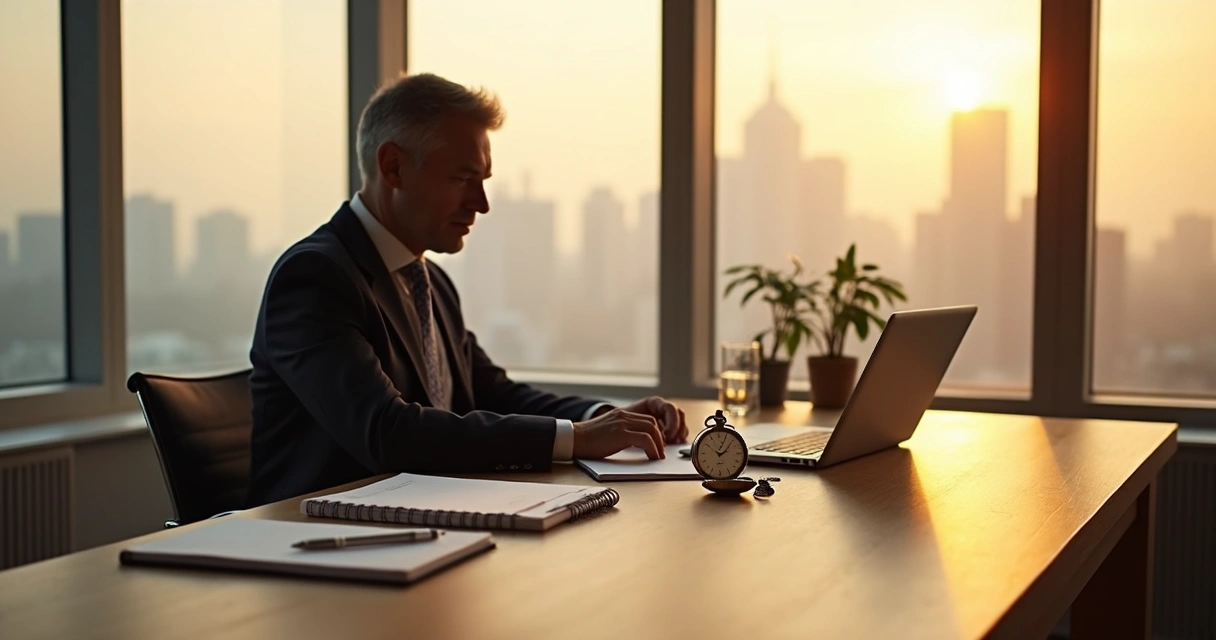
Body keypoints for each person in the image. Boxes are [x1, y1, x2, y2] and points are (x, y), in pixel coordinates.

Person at [246, 73, 688, 506]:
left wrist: (607, 417)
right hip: (320, 543)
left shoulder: (430, 281)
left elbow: (494, 393)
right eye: (462, 178)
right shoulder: (314, 276)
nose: (481, 202)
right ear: (393, 167)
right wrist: (577, 439)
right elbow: (386, 432)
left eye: (484, 180)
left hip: (423, 523)